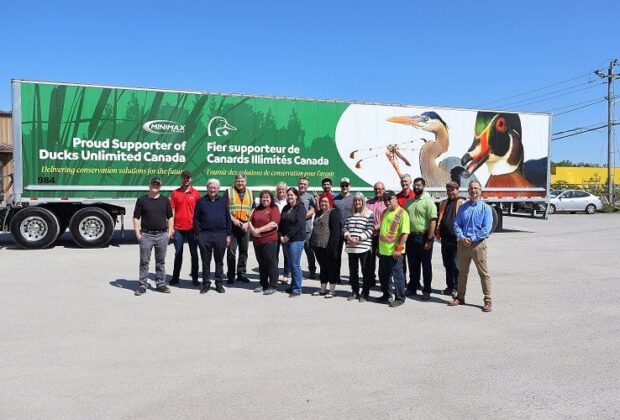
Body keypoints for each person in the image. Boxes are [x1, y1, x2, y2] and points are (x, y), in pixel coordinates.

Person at [449, 180, 494, 312]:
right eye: (471, 188)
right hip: (463, 245)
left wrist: (472, 238)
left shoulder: (486, 209)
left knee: (483, 273)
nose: (473, 190)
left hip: (478, 245)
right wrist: (462, 237)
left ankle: (488, 300)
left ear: (480, 191)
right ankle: (460, 297)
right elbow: (457, 224)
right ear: (468, 191)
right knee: (462, 273)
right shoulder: (463, 207)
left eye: (476, 188)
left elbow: (487, 229)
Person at [133, 177, 174, 296]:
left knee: (160, 261)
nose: (155, 186)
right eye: (153, 184)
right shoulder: (141, 200)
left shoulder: (165, 200)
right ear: (149, 185)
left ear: (160, 186)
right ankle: (142, 285)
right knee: (144, 261)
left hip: (162, 235)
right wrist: (137, 233)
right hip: (146, 235)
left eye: (157, 184)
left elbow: (170, 217)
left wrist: (169, 231)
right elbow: (136, 217)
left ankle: (161, 284)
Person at [194, 179, 232, 294]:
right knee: (206, 261)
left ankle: (219, 283)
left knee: (219, 261)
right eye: (210, 187)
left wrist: (228, 235)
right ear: (207, 188)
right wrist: (198, 234)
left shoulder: (223, 201)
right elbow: (196, 219)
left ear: (218, 189)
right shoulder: (201, 201)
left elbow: (228, 219)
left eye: (215, 188)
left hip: (220, 234)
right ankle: (206, 284)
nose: (212, 190)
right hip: (205, 235)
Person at [404, 177, 437, 300]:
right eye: (415, 185)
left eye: (419, 185)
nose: (416, 187)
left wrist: (429, 239)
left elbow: (433, 221)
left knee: (426, 265)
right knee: (412, 264)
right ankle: (412, 287)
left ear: (424, 186)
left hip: (424, 237)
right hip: (411, 237)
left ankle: (427, 290)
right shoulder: (409, 203)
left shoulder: (428, 201)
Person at [377, 190, 410, 307]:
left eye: (389, 199)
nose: (387, 202)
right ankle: (386, 295)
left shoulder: (402, 213)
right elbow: (383, 230)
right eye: (385, 199)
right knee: (383, 275)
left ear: (395, 198)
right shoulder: (385, 212)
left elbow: (405, 233)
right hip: (383, 250)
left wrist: (398, 249)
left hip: (395, 251)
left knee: (398, 276)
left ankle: (400, 297)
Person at [169, 170, 201, 286]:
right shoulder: (175, 193)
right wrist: (171, 228)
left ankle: (195, 278)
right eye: (184, 177)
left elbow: (199, 212)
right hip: (178, 229)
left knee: (194, 254)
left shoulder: (196, 194)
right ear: (181, 178)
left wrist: (198, 229)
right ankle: (175, 277)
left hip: (192, 229)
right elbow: (172, 211)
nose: (186, 180)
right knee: (178, 253)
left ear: (191, 179)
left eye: (188, 178)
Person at [435, 181, 465, 298]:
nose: (451, 192)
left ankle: (457, 288)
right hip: (445, 239)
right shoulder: (444, 203)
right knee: (447, 264)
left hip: (456, 239)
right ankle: (449, 286)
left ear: (457, 190)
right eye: (448, 190)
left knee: (456, 265)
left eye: (453, 190)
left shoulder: (461, 203)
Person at [344, 193, 375, 301]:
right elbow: (345, 228)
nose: (357, 202)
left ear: (363, 201)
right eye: (355, 200)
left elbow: (370, 229)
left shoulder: (369, 213)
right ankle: (354, 291)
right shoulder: (349, 213)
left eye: (359, 200)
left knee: (365, 271)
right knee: (353, 271)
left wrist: (358, 238)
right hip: (351, 247)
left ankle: (365, 293)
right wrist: (348, 237)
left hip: (363, 247)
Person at [249, 190, 281, 295]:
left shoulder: (274, 208)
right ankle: (263, 284)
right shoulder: (257, 209)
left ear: (271, 198)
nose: (265, 199)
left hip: (269, 240)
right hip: (257, 241)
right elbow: (249, 220)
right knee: (261, 264)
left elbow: (273, 224)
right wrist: (253, 230)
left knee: (271, 263)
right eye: (263, 197)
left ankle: (273, 285)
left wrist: (258, 230)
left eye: (267, 197)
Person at [310, 196, 342, 298]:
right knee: (323, 268)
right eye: (321, 201)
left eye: (325, 201)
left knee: (331, 267)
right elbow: (314, 227)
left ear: (330, 202)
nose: (323, 203)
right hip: (317, 245)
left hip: (327, 246)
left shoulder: (333, 212)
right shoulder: (318, 213)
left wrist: (332, 246)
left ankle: (332, 290)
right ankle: (322, 289)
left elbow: (335, 231)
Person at [226, 173, 255, 284]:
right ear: (235, 181)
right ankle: (231, 275)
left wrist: (247, 223)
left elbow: (253, 208)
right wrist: (235, 221)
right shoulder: (229, 191)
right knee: (231, 252)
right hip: (233, 226)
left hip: (245, 226)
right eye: (238, 181)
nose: (240, 183)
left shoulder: (250, 192)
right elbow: (225, 209)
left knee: (244, 251)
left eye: (242, 181)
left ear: (245, 182)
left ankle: (241, 274)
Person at [279, 187, 307, 297]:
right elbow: (281, 223)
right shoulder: (286, 208)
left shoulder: (300, 208)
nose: (290, 196)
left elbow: (299, 225)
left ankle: (297, 289)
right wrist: (281, 235)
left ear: (296, 196)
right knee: (290, 264)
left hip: (296, 240)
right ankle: (292, 286)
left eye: (292, 195)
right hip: (285, 240)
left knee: (295, 265)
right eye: (288, 195)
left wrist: (288, 236)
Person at [333, 177, 354, 283]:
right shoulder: (335, 200)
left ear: (349, 186)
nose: (344, 187)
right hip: (337, 232)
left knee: (352, 255)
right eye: (343, 185)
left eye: (346, 185)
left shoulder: (354, 199)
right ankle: (336, 277)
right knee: (336, 256)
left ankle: (352, 277)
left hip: (350, 232)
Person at [365, 181, 387, 283]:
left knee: (383, 259)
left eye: (380, 189)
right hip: (370, 235)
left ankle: (384, 279)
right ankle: (371, 278)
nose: (378, 191)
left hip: (383, 235)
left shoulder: (387, 203)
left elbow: (387, 219)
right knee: (370, 259)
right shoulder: (368, 203)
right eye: (376, 189)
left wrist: (376, 227)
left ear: (384, 190)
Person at [297, 177, 317, 278]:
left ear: (307, 186)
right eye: (301, 183)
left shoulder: (310, 197)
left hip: (307, 229)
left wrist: (301, 218)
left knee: (309, 250)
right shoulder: (294, 195)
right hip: (295, 230)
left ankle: (312, 270)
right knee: (296, 251)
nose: (303, 185)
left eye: (305, 184)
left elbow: (313, 210)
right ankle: (295, 270)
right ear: (298, 184)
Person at [274, 182, 290, 283]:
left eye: (283, 190)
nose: (281, 191)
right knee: (274, 254)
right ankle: (274, 275)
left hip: (285, 230)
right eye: (279, 189)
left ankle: (286, 275)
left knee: (286, 254)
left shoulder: (289, 201)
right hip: (274, 230)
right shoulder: (273, 201)